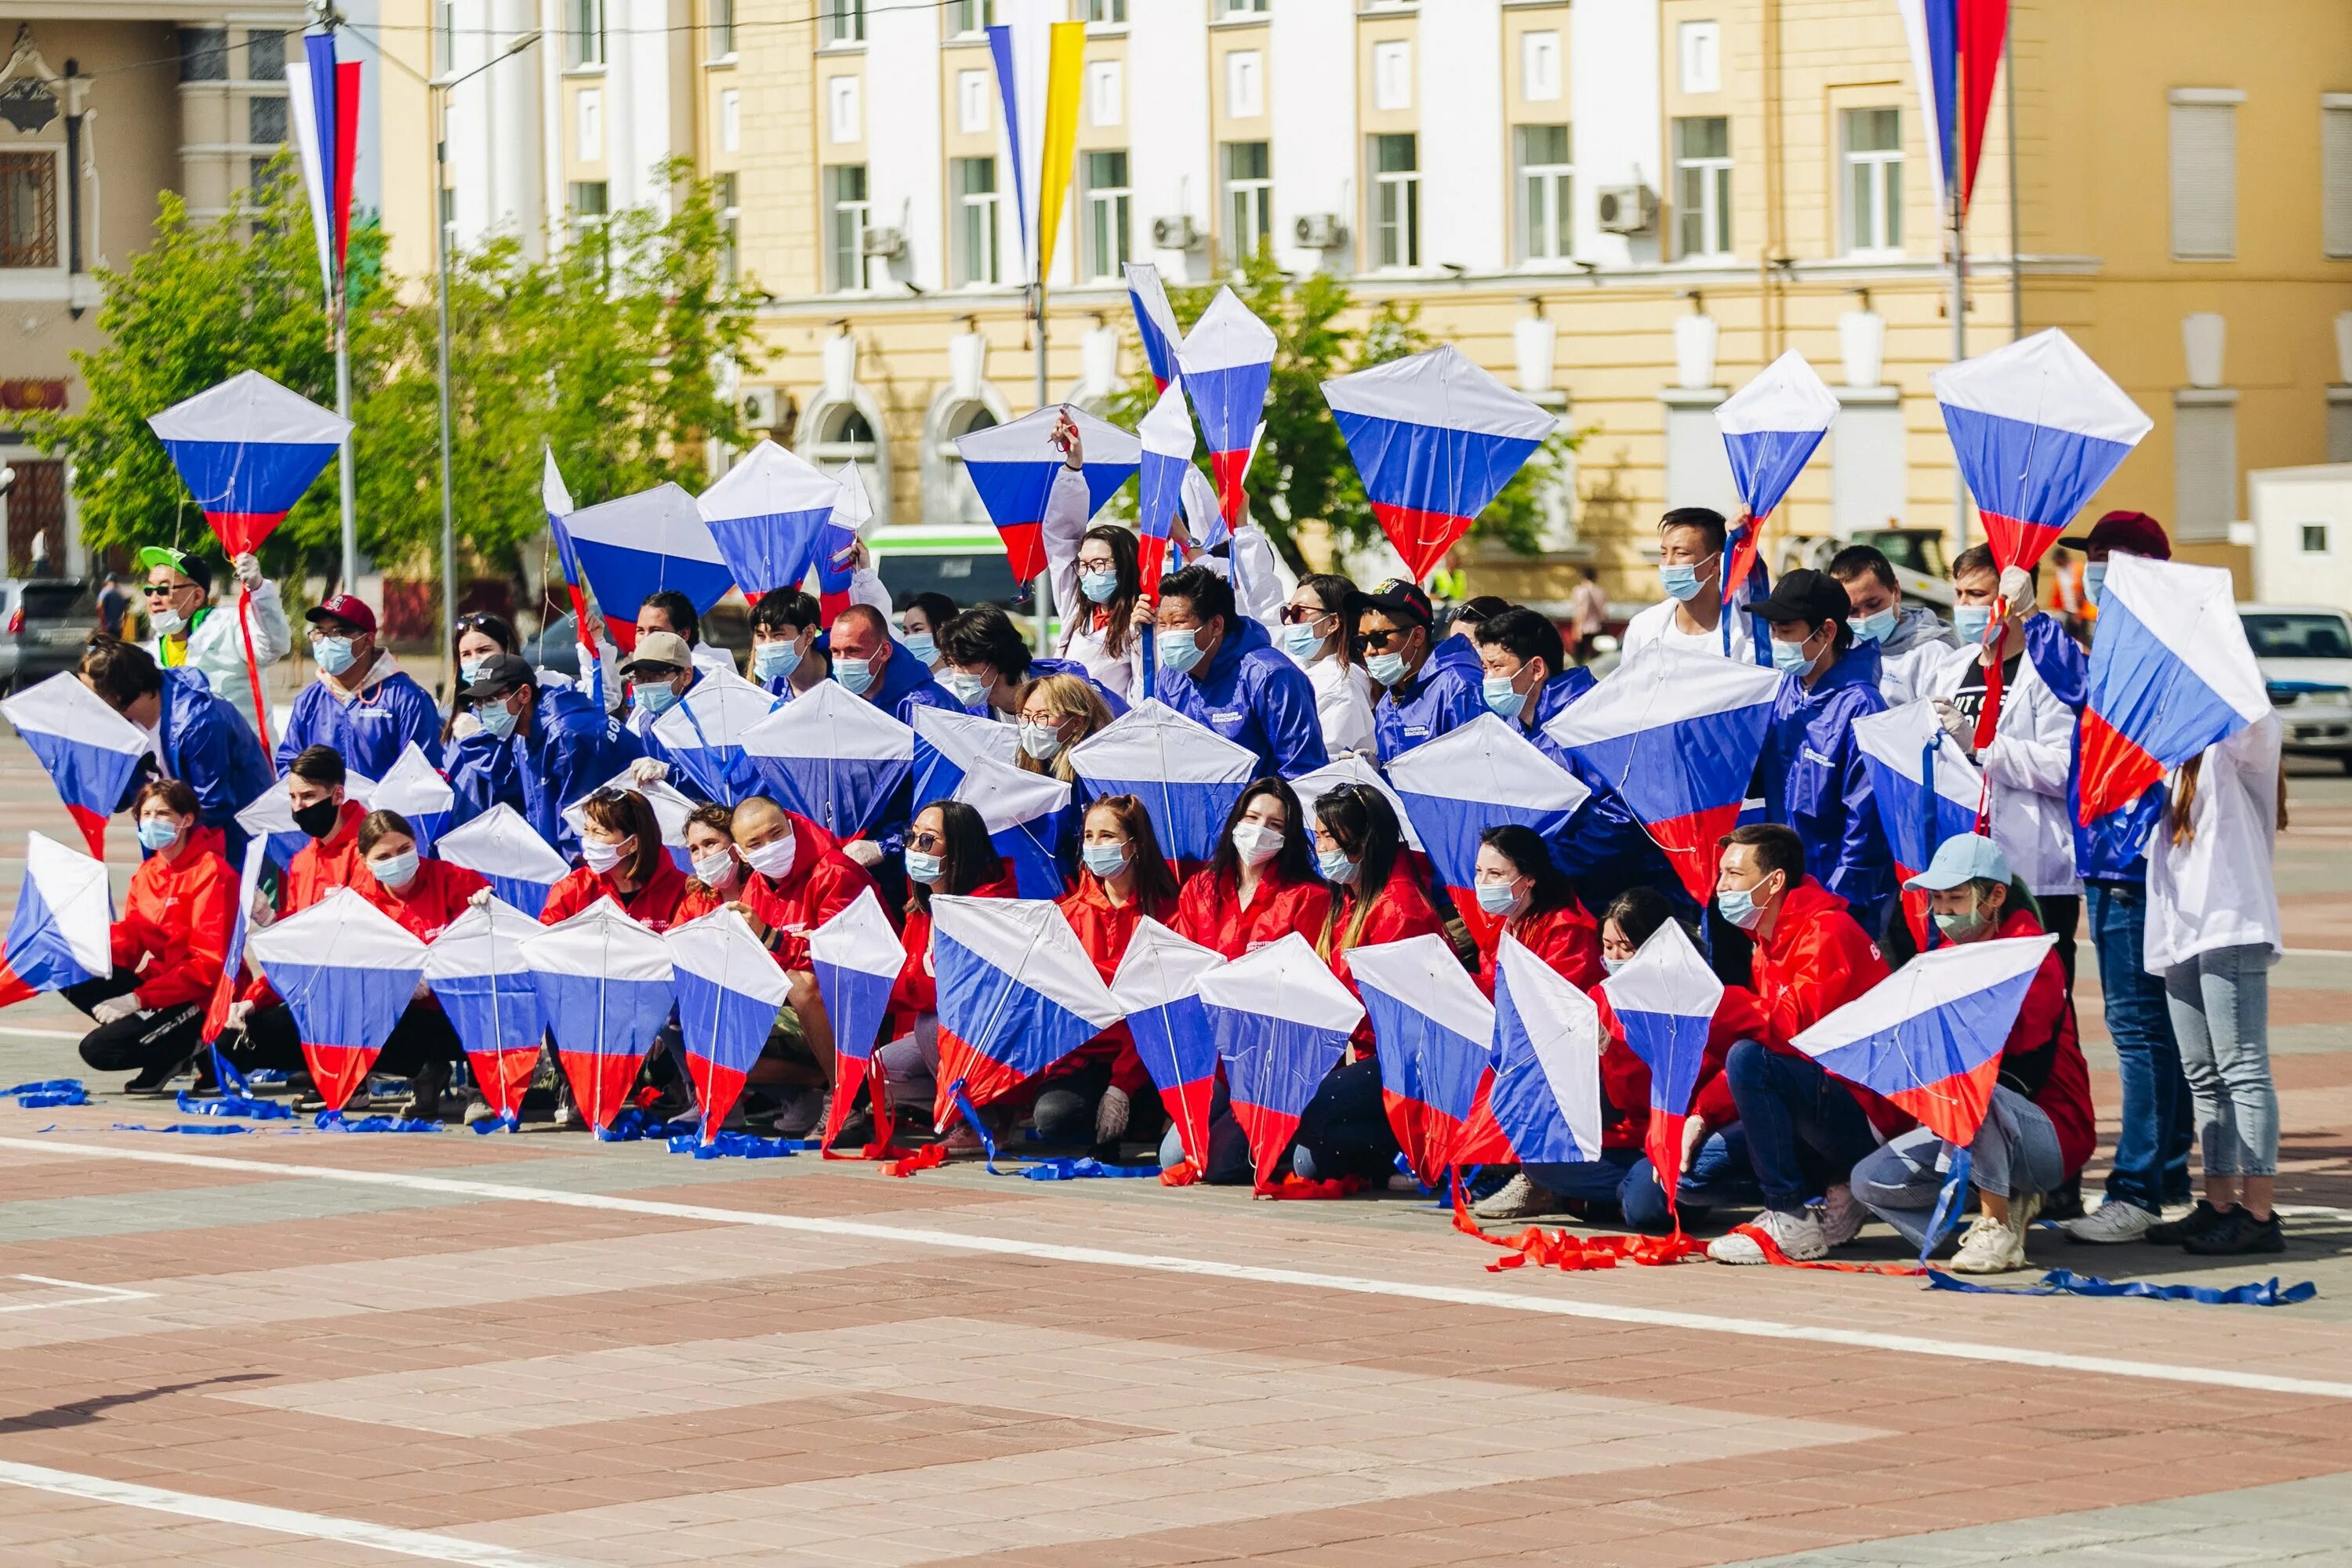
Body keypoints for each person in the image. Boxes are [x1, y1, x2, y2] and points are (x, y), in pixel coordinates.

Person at [2038, 511, 2194, 1240]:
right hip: (2114, 857)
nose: (2090, 570)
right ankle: (2162, 1171)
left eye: (2104, 558)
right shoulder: (2136, 640)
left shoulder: (2150, 648)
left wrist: (2032, 622)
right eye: (2088, 557)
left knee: (2138, 1026)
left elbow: (2091, 700)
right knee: (2156, 1025)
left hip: (2128, 859)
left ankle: (2137, 1186)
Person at [1849, 834, 2096, 1272]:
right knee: (1869, 1182)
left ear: (1995, 896)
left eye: (1956, 899)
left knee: (1975, 1091)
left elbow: (2014, 1066)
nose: (1943, 912)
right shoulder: (1944, 956)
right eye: (1936, 900)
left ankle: (1994, 1225)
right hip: (1970, 1127)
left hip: (2050, 1129)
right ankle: (1985, 1209)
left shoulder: (2032, 955)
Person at [1475, 886, 1767, 1228]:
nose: (1613, 958)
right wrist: (1593, 1054)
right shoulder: (1602, 1000)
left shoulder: (1706, 999)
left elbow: (1755, 1059)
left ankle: (1636, 1198)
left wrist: (1702, 1114)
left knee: (1646, 1209)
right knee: (1540, 1159)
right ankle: (1632, 1195)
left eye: (1626, 948)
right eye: (1607, 946)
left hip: (1690, 1133)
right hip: (1633, 1140)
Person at [1702, 824, 1894, 1265]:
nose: (1721, 886)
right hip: (1821, 1102)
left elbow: (1791, 1034)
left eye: (1733, 874)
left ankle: (1789, 1213)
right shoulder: (1767, 939)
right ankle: (1836, 1187)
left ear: (1774, 882)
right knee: (1692, 1179)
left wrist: (1713, 1004)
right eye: (1721, 874)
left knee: (1749, 1058)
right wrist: (1702, 1113)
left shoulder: (1825, 931)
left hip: (1870, 1113)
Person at [2139, 710, 2287, 1255]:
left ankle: (2259, 1214)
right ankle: (2218, 1203)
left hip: (2230, 922)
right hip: (2181, 927)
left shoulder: (2239, 741)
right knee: (2202, 1073)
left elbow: (2256, 716)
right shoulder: (2170, 750)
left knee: (2242, 1067)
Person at [1911, 546, 2079, 978]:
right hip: (1961, 866)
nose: (1964, 607)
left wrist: (1983, 748)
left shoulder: (2048, 672)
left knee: (2040, 999)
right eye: (1959, 594)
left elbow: (2067, 769)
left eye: (1977, 595)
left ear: (2009, 600)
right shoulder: (1953, 667)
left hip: (2032, 871)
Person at [1287, 783, 1443, 1184]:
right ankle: (1381, 1150)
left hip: (1402, 1063)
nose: (1319, 847)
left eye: (1328, 836)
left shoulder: (1400, 908)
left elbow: (1408, 1018)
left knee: (1305, 1107)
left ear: (1361, 841)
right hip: (1359, 1050)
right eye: (1317, 835)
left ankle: (1405, 1144)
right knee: (1307, 1159)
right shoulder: (1347, 899)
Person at [1747, 568, 1893, 940]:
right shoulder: (1785, 692)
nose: (1777, 640)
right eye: (1773, 630)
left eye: (1786, 630)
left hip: (1836, 901)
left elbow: (1866, 821)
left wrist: (1836, 905)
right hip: (1783, 891)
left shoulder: (1861, 705)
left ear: (1827, 631)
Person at [63, 779, 235, 1094]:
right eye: (146, 814)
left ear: (187, 820)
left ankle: (185, 1048)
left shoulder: (212, 872)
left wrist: (137, 999)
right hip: (161, 988)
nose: (153, 821)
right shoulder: (148, 873)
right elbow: (130, 941)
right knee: (67, 968)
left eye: (164, 814)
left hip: (199, 997)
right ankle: (168, 1051)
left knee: (98, 1051)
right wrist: (79, 945)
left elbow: (209, 966)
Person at [727, 794, 884, 1138]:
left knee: (802, 982)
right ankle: (814, 1089)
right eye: (755, 843)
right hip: (805, 1013)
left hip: (864, 1008)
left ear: (793, 827)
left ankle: (849, 1100)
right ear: (741, 854)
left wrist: (772, 938)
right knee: (716, 1028)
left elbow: (841, 959)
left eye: (777, 833)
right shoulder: (756, 887)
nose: (770, 846)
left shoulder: (835, 872)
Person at [1040, 795, 1183, 1149]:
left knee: (1143, 1123)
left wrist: (1122, 1083)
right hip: (1085, 1056)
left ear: (1135, 845)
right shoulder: (1064, 915)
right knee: (1053, 1118)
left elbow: (1162, 1010)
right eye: (1088, 836)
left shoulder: (1170, 914)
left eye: (1107, 836)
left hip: (1146, 1058)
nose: (1095, 845)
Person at [877, 800, 1018, 1149]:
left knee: (931, 1023)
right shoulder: (920, 907)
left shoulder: (986, 908)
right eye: (912, 838)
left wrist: (880, 983)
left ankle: (989, 1119)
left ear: (958, 852)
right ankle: (957, 1112)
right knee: (881, 1069)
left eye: (928, 841)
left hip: (989, 1040)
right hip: (946, 1041)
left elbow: (949, 994)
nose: (914, 848)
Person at [339, 808, 487, 1116]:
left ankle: (481, 1087)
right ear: (364, 860)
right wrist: (396, 982)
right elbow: (351, 967)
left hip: (463, 1009)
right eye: (383, 856)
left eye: (404, 849)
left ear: (416, 843)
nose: (396, 860)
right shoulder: (357, 903)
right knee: (346, 1008)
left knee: (489, 993)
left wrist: (486, 909)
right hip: (407, 1016)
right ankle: (425, 1073)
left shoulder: (456, 880)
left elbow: (491, 948)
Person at [78, 636, 272, 866]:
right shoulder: (127, 723)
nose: (86, 705)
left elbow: (214, 805)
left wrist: (171, 840)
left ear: (118, 694)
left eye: (92, 696)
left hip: (234, 846)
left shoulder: (199, 722)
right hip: (177, 845)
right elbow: (118, 799)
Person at [446, 654, 643, 860]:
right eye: (479, 703)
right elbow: (522, 790)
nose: (484, 710)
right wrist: (477, 744)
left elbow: (580, 822)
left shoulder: (566, 736)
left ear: (524, 694)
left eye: (491, 700)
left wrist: (565, 875)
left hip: (623, 853)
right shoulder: (526, 732)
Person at [1152, 564, 1327, 778]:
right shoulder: (1169, 679)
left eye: (1178, 623)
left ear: (1216, 625)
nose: (1167, 635)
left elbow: (1302, 772)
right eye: (1162, 624)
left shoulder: (1272, 677)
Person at [275, 593, 445, 779]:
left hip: (384, 808)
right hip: (327, 808)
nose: (326, 641)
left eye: (337, 632)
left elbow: (423, 773)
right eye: (320, 633)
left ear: (368, 640)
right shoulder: (309, 700)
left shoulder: (407, 699)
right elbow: (289, 764)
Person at [133, 543, 291, 730]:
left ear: (197, 596)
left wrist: (259, 589)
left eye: (163, 590)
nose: (154, 598)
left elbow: (273, 647)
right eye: (149, 590)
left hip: (238, 756)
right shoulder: (150, 653)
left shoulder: (230, 625)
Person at [1172, 778, 1332, 958]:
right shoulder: (1199, 889)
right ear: (1236, 821)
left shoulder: (1308, 898)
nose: (1260, 829)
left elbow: (1309, 972)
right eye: (1252, 817)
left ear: (1287, 836)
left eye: (1275, 824)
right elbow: (1183, 961)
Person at [1617, 508, 1766, 666]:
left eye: (1681, 554)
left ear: (1715, 562)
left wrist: (1741, 541)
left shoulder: (1742, 634)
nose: (1668, 564)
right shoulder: (1644, 628)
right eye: (1663, 554)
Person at [1466, 824, 1601, 996]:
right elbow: (1492, 985)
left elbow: (1556, 1001)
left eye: (1495, 874)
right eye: (1479, 871)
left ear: (1529, 879)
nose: (1482, 882)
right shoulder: (1500, 924)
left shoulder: (1566, 932)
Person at [1357, 579, 1483, 762]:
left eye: (1378, 638)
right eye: (1361, 641)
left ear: (1417, 636)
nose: (1369, 651)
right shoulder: (1388, 703)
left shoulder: (1459, 687)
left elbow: (1478, 771)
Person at [539, 786, 696, 929]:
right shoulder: (573, 888)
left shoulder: (682, 891)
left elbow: (688, 953)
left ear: (633, 843)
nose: (588, 840)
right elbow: (546, 948)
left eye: (599, 833)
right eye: (587, 830)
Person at [938, 601, 1126, 721]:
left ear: (997, 657)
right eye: (952, 665)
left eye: (964, 663)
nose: (957, 674)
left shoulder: (1072, 693)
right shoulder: (970, 716)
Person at [1826, 543, 1958, 703]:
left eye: (1874, 604)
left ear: (1896, 591)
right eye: (1851, 611)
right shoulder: (1837, 650)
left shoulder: (1932, 653)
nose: (1864, 618)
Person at [1279, 572, 1377, 760]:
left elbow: (1320, 761)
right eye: (1286, 612)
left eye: (1298, 612)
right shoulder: (1302, 667)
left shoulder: (1342, 688)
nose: (1289, 620)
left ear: (1332, 622)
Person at [827, 602, 958, 726]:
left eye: (854, 650)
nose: (843, 660)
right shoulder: (839, 702)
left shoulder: (926, 707)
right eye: (835, 651)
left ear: (884, 652)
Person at [277, 746, 371, 909]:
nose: (298, 806)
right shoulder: (301, 862)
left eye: (308, 796)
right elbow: (296, 925)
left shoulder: (369, 853)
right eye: (293, 797)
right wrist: (271, 919)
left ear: (338, 796)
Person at [1058, 526, 1144, 702]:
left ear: (1124, 564)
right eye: (1083, 565)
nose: (1089, 573)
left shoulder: (1138, 621)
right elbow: (1059, 540)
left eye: (1099, 563)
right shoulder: (1078, 615)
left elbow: (1141, 688)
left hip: (1113, 723)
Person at [1014, 672, 1114, 787]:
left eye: (1042, 717)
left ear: (1077, 723)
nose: (1031, 725)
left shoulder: (1097, 773)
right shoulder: (1031, 764)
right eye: (1026, 716)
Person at [636, 589, 738, 682]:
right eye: (640, 631)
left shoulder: (708, 677)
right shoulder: (635, 672)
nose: (646, 639)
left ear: (684, 634)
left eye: (656, 631)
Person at [747, 590, 828, 699]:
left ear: (809, 634)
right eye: (761, 636)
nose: (767, 644)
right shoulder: (769, 695)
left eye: (778, 635)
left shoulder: (848, 678)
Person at [898, 592, 959, 673]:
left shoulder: (959, 683)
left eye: (917, 629)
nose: (910, 638)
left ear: (943, 631)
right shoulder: (904, 680)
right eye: (906, 632)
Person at [1567, 565, 1608, 663]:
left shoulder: (1580, 590)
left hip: (1584, 627)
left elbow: (1582, 610)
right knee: (1596, 659)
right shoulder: (1600, 591)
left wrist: (1577, 628)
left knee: (1580, 659)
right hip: (1598, 627)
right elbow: (1603, 612)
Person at [96, 572, 132, 639]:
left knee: (107, 648)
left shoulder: (105, 592)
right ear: (116, 582)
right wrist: (123, 625)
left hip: (107, 628)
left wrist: (103, 624)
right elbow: (125, 612)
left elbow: (99, 607)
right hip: (117, 629)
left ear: (108, 581)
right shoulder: (119, 595)